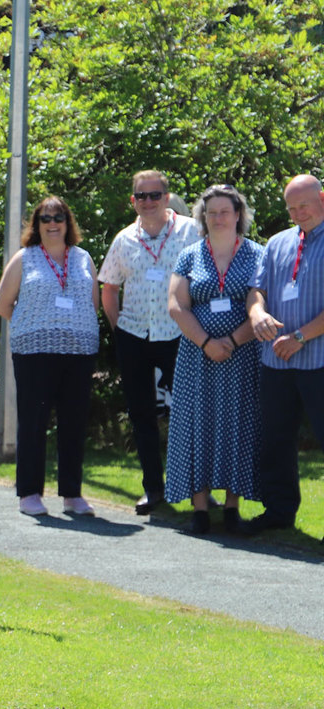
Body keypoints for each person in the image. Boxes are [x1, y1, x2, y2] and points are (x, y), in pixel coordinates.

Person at [98, 170, 200, 514]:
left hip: (178, 335)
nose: (148, 202)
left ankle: (198, 489)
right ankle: (153, 489)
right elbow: (109, 287)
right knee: (142, 416)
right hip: (135, 336)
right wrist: (119, 329)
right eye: (141, 196)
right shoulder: (124, 238)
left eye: (154, 195)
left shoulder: (191, 230)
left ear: (166, 197)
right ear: (133, 201)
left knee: (190, 413)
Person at [165, 186, 264, 534]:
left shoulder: (256, 254)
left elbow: (259, 303)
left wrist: (232, 341)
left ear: (239, 215)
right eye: (211, 213)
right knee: (196, 425)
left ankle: (233, 508)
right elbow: (176, 305)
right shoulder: (190, 255)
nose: (218, 218)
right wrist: (207, 342)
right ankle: (200, 508)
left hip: (242, 356)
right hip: (197, 356)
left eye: (225, 211)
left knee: (239, 424)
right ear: (202, 218)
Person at [0, 196, 100, 518]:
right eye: (45, 219)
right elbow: (2, 304)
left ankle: (72, 494)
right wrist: (34, 324)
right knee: (34, 423)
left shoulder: (83, 258)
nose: (52, 224)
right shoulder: (25, 258)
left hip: (79, 353)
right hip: (34, 353)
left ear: (68, 223)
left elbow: (92, 303)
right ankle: (29, 493)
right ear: (36, 225)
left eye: (59, 218)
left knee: (74, 423)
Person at [244, 174, 324, 538]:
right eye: (291, 208)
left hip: (318, 360)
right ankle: (278, 512)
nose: (297, 214)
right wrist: (257, 313)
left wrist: (300, 336)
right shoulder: (277, 243)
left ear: (321, 198)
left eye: (303, 205)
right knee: (275, 439)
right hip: (275, 361)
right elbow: (256, 290)